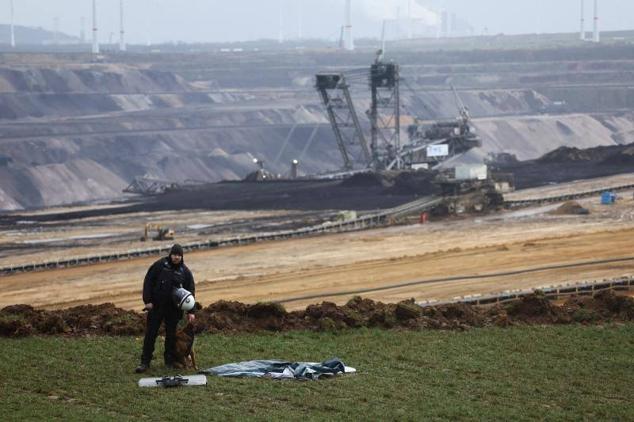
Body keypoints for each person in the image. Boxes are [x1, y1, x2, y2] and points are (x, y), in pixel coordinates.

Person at [135, 244, 195, 373]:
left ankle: (169, 361)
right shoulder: (160, 265)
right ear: (170, 254)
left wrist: (191, 311)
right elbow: (148, 281)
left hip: (173, 310)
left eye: (179, 255)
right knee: (151, 334)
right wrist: (148, 300)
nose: (176, 257)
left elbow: (190, 291)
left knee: (171, 336)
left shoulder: (185, 272)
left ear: (182, 256)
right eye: (174, 255)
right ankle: (145, 362)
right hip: (156, 306)